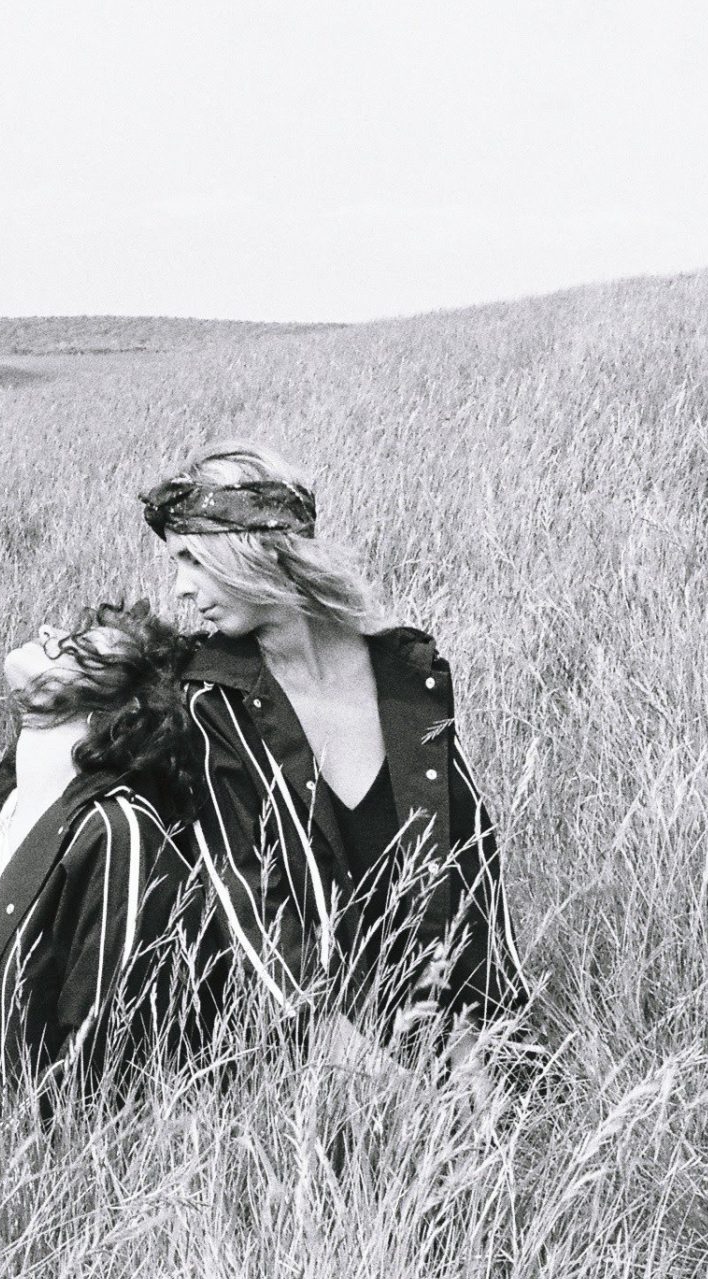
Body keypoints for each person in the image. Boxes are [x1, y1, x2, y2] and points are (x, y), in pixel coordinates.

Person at [138, 443, 522, 1071]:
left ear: (257, 547)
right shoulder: (210, 701)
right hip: (298, 1053)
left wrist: (474, 1041)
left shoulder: (408, 677)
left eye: (191, 558)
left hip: (432, 1028)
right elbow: (250, 917)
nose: (180, 588)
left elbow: (469, 866)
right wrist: (387, 1088)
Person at [0, 601, 200, 1186]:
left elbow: (96, 1076)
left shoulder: (117, 834)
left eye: (84, 645)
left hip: (24, 1144)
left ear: (120, 710)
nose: (51, 632)